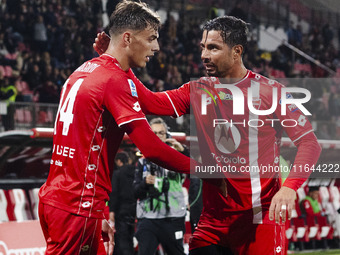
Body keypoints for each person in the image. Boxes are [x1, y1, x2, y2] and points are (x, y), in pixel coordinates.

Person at [94, 15, 322, 254]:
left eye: (213, 48)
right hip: (214, 222)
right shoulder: (198, 89)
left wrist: (289, 188)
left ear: (236, 52)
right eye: (203, 47)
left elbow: (309, 142)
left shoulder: (271, 92)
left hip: (259, 218)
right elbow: (149, 102)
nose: (204, 55)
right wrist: (117, 62)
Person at [38, 2, 198, 255]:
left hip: (61, 198)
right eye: (151, 38)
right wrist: (203, 167)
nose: (156, 47)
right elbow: (152, 149)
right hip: (77, 205)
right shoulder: (114, 80)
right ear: (127, 38)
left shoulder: (85, 70)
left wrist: (99, 210)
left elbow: (151, 101)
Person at [133, 117, 187, 255]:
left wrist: (183, 152)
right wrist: (145, 183)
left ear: (167, 135)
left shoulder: (177, 157)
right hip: (148, 219)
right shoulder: (141, 161)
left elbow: (194, 171)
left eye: (161, 133)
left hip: (173, 217)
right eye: (154, 133)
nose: (157, 136)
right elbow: (135, 192)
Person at [109, 152, 136, 255]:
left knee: (122, 238)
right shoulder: (135, 172)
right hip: (134, 209)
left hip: (121, 209)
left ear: (119, 161)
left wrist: (112, 210)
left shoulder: (117, 174)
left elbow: (114, 193)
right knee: (131, 236)